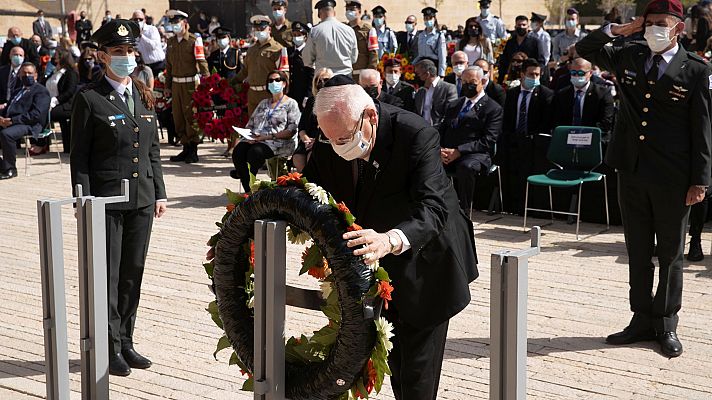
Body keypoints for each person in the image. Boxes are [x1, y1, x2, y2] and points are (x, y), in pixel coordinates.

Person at [303, 75, 478, 400]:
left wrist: (391, 240)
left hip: (426, 264)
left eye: (345, 138)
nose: (340, 148)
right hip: (372, 268)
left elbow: (434, 208)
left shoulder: (415, 134)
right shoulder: (332, 137)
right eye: (331, 140)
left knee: (415, 381)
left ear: (369, 117)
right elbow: (310, 188)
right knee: (390, 365)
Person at [576, 0, 712, 358]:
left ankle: (666, 322)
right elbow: (586, 49)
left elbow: (703, 130)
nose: (652, 28)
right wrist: (620, 30)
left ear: (678, 28)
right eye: (648, 22)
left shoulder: (696, 69)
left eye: (660, 23)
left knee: (669, 254)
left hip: (673, 177)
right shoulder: (630, 54)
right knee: (637, 249)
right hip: (632, 171)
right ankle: (640, 317)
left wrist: (700, 180)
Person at [70, 19, 166, 376]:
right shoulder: (89, 98)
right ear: (102, 55)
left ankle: (126, 340)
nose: (125, 57)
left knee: (132, 274)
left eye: (129, 51)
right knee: (108, 277)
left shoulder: (142, 94)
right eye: (117, 52)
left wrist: (160, 193)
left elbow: (152, 150)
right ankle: (108, 347)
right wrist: (83, 199)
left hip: (141, 200)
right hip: (107, 202)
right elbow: (79, 156)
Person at [439, 66, 503, 212]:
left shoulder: (493, 109)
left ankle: (464, 210)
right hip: (448, 152)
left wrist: (459, 151)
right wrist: (440, 150)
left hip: (474, 155)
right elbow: (442, 130)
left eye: (472, 82)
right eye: (464, 81)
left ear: (482, 81)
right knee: (426, 161)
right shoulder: (454, 105)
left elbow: (488, 140)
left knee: (466, 167)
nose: (468, 85)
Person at [230, 70, 300, 192]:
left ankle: (246, 178)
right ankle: (249, 190)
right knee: (239, 151)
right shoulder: (263, 103)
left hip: (278, 142)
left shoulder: (291, 104)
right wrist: (248, 136)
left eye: (277, 80)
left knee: (254, 153)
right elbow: (250, 125)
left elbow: (291, 131)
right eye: (270, 81)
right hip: (257, 139)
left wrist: (266, 137)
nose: (274, 83)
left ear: (284, 83)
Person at [500, 58, 553, 214]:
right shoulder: (512, 94)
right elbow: (508, 119)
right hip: (514, 142)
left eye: (537, 75)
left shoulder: (546, 95)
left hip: (534, 145)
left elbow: (546, 123)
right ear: (522, 74)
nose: (535, 78)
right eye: (531, 74)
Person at [164, 9, 210, 164]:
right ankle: (185, 147)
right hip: (176, 84)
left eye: (177, 22)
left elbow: (201, 61)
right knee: (178, 117)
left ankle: (193, 149)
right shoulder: (170, 43)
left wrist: (208, 81)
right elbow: (168, 67)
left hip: (190, 83)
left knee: (191, 116)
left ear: (185, 24)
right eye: (172, 23)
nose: (175, 26)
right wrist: (167, 85)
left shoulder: (193, 40)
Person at [0, 62, 50, 180]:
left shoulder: (41, 91)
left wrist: (12, 121)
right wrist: (2, 118)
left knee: (6, 135)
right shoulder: (18, 90)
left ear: (36, 75)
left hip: (30, 124)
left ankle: (10, 169)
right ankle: (2, 166)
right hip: (11, 121)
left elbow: (36, 114)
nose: (27, 75)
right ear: (19, 75)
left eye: (30, 73)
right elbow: (9, 108)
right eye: (24, 73)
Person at [550, 57, 614, 140]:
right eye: (573, 73)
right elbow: (557, 121)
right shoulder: (562, 94)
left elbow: (606, 122)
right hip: (568, 139)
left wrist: (583, 138)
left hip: (593, 139)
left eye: (581, 73)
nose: (576, 76)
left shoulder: (603, 94)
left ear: (590, 73)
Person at [236, 16, 284, 116]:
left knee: (269, 127)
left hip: (269, 94)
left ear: (269, 29)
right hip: (252, 94)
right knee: (253, 128)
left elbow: (283, 74)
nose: (259, 31)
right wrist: (232, 82)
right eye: (256, 29)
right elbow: (245, 71)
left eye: (262, 28)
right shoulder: (251, 49)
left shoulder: (277, 49)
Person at [303, 0, 358, 76]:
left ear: (319, 13)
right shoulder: (349, 30)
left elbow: (307, 60)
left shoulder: (315, 31)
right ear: (334, 13)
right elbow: (354, 58)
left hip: (324, 77)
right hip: (346, 76)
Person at [294, 68, 333, 172]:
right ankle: (304, 184)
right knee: (298, 158)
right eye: (318, 80)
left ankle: (314, 185)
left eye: (326, 80)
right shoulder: (311, 101)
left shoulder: (336, 101)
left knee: (312, 156)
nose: (322, 83)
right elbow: (302, 127)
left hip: (326, 141)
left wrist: (317, 141)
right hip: (308, 140)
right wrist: (306, 139)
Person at [41, 48, 78, 155]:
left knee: (46, 114)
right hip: (51, 102)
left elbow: (69, 91)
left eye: (57, 56)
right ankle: (43, 144)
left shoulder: (70, 73)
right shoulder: (54, 71)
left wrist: (54, 101)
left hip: (65, 104)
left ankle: (41, 144)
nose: (54, 58)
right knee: (39, 113)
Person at [414, 59, 458, 128]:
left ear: (427, 74)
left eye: (418, 74)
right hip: (422, 131)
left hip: (439, 132)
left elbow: (450, 113)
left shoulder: (448, 88)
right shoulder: (420, 92)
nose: (416, 77)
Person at [498, 16, 539, 84]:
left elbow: (539, 60)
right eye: (519, 25)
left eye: (524, 25)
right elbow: (504, 62)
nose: (521, 27)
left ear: (528, 27)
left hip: (529, 77)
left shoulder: (535, 42)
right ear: (515, 26)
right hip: (512, 78)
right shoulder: (510, 43)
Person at [344, 1, 377, 80]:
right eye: (347, 9)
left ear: (359, 11)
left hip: (362, 74)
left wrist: (370, 73)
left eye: (352, 9)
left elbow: (373, 53)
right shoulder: (343, 29)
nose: (349, 12)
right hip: (345, 73)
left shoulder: (369, 30)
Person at [412, 7, 447, 77]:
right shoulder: (421, 35)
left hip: (433, 65)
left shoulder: (439, 35)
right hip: (422, 66)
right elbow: (420, 55)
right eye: (426, 18)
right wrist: (412, 64)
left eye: (430, 18)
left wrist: (441, 74)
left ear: (434, 19)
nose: (428, 21)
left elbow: (442, 56)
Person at [287, 22, 315, 109]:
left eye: (299, 34)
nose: (296, 37)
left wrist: (308, 95)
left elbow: (311, 75)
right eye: (294, 35)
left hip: (303, 93)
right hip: (290, 93)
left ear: (305, 36)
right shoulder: (288, 51)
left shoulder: (309, 52)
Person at [132, 10, 166, 78]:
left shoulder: (152, 29)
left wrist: (141, 36)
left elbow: (153, 46)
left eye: (140, 19)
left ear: (144, 20)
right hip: (146, 66)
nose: (138, 21)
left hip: (158, 64)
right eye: (135, 19)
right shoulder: (133, 33)